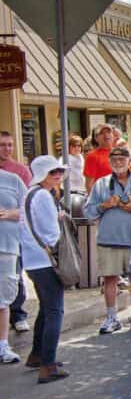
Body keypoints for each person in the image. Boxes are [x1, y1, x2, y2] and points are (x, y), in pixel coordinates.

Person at [84, 147, 131, 334]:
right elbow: (89, 212)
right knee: (109, 279)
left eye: (122, 159)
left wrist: (130, 207)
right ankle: (112, 317)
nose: (118, 162)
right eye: (115, 159)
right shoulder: (101, 184)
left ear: (129, 161)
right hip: (108, 239)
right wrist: (105, 205)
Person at [20, 155, 69, 382]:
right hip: (46, 261)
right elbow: (52, 234)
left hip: (32, 260)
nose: (58, 175)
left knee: (45, 308)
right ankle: (48, 365)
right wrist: (60, 220)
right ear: (43, 174)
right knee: (55, 311)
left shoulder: (30, 194)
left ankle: (37, 355)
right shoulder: (43, 197)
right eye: (53, 172)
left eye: (59, 171)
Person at [0, 132, 30, 334]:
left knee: (15, 275)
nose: (7, 149)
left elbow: (29, 205)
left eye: (10, 145)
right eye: (3, 145)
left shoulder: (19, 172)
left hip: (12, 237)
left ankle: (18, 314)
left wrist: (10, 213)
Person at [0, 168, 25, 363]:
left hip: (7, 246)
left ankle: (3, 346)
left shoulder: (12, 180)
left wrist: (9, 213)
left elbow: (27, 209)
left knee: (3, 297)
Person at [83, 123, 115, 192]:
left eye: (108, 132)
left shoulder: (120, 153)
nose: (106, 135)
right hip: (104, 199)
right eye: (102, 133)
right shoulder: (92, 156)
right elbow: (89, 185)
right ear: (96, 138)